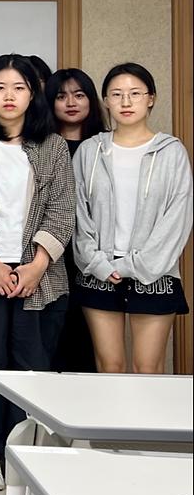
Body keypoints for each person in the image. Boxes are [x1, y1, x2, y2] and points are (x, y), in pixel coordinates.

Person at [0, 54, 74, 491]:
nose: (9, 96)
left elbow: (62, 209)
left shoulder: (53, 146)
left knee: (32, 365)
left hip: (39, 276)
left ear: (32, 93)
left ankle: (25, 452)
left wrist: (37, 265)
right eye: (0, 87)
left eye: (18, 87)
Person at [72, 63, 192, 375]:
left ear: (151, 98)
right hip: (99, 270)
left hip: (154, 272)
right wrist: (97, 262)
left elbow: (177, 219)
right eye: (117, 94)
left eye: (135, 94)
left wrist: (133, 265)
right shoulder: (89, 151)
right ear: (105, 101)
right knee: (109, 367)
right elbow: (78, 214)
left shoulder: (171, 152)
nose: (126, 102)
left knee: (147, 368)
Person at [46, 68, 105, 373]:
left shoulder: (106, 147)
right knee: (52, 340)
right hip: (48, 255)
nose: (70, 102)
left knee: (90, 342)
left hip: (96, 255)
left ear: (91, 100)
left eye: (79, 95)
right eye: (61, 96)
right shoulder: (41, 147)